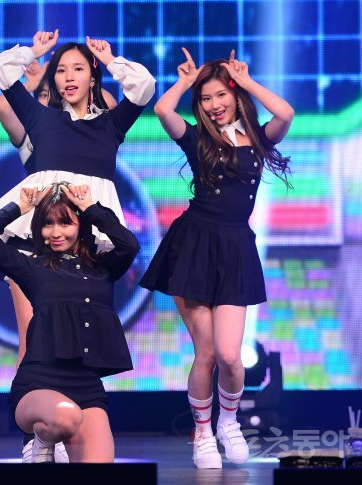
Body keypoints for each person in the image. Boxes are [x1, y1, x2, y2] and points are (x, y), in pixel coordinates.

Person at [139, 48, 294, 469]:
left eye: (220, 95)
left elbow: (285, 113)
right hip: (194, 245)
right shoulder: (197, 139)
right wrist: (185, 82)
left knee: (230, 355)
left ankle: (228, 422)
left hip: (236, 248)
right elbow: (163, 109)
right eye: (205, 99)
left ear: (234, 95)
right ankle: (203, 434)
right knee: (206, 353)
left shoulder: (258, 138)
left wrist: (246, 81)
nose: (213, 104)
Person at [0, 182, 139, 462]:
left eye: (65, 223)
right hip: (40, 384)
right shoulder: (31, 267)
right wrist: (20, 207)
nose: (56, 232)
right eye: (47, 224)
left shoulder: (101, 269)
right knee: (65, 416)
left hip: (87, 387)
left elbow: (129, 244)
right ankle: (41, 439)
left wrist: (89, 207)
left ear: (80, 225)